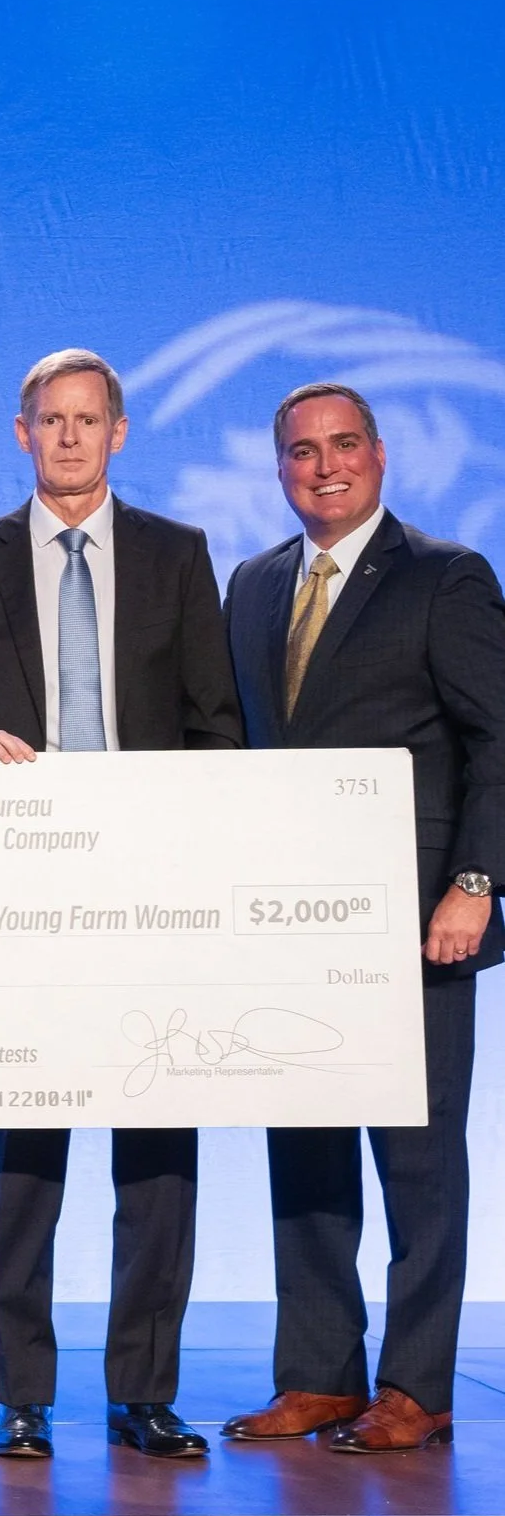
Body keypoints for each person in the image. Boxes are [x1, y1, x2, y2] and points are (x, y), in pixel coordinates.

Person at [0, 348, 243, 1462]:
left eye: (85, 419)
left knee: (156, 1149)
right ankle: (21, 1393)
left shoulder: (173, 554)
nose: (66, 436)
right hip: (17, 894)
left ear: (118, 431)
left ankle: (143, 1391)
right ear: (18, 434)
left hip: (153, 892)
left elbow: (215, 726)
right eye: (47, 419)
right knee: (21, 1157)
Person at [220, 383, 505, 1453]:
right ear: (279, 466)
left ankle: (416, 1385)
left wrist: (473, 882)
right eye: (299, 451)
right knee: (303, 1155)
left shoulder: (443, 577)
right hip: (286, 921)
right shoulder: (250, 586)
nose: (321, 466)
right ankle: (319, 1375)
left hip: (417, 921)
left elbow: (496, 741)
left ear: (378, 456)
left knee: (418, 1159)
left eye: (341, 446)